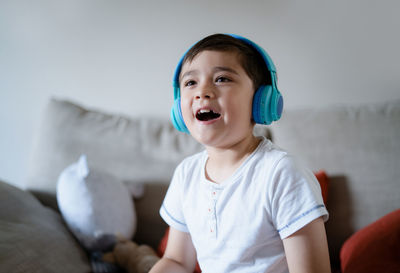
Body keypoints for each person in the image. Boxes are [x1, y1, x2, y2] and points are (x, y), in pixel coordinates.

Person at [150, 33, 331, 273]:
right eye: (191, 82)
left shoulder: (281, 173)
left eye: (222, 78)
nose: (202, 92)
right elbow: (176, 261)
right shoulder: (186, 174)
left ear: (261, 100)